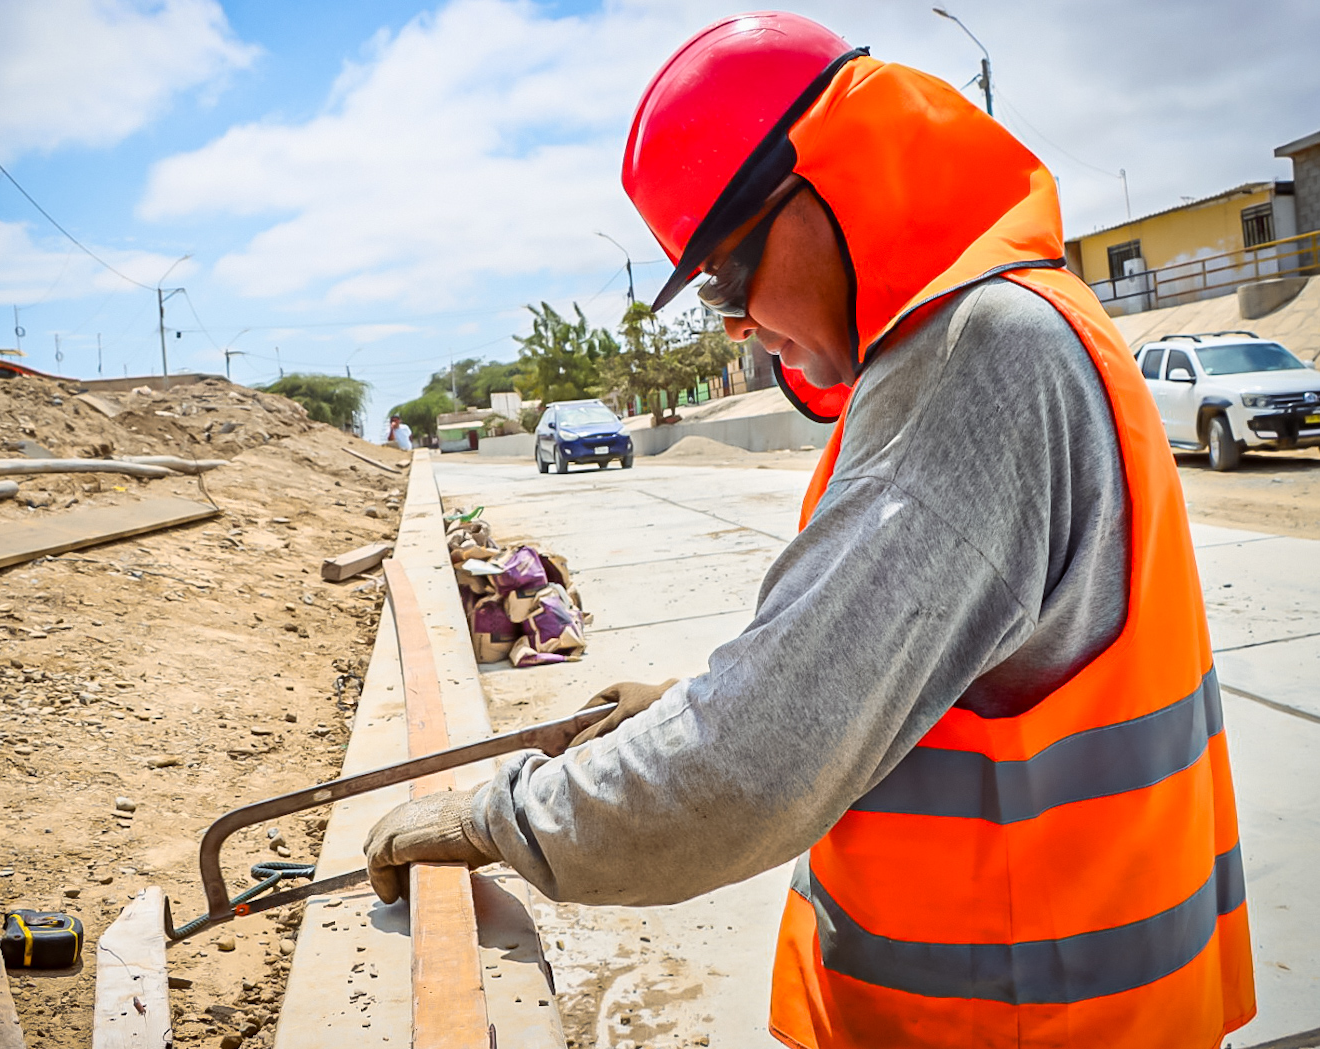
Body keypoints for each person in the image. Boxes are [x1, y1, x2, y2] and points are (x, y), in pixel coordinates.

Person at [364, 13, 1255, 1048]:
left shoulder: (979, 356)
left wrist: (500, 817)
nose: (735, 323)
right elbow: (897, 667)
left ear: (835, 188)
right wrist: (684, 703)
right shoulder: (1028, 320)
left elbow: (746, 768)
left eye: (727, 277)